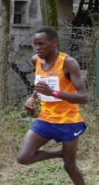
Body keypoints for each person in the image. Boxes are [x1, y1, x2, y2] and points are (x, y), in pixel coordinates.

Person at [16, 27, 88, 185]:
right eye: (35, 44)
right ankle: (59, 153)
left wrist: (54, 93)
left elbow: (83, 97)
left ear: (54, 43)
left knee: (69, 166)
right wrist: (32, 98)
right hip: (46, 120)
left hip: (69, 121)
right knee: (23, 157)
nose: (37, 48)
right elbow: (42, 83)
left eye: (41, 44)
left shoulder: (68, 63)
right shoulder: (37, 60)